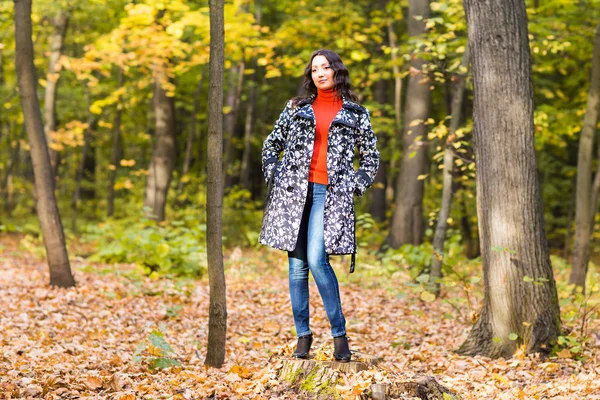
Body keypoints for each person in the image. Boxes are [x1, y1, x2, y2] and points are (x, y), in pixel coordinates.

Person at [259, 49, 380, 362]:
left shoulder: (356, 113)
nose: (320, 73)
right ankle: (303, 335)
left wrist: (356, 183)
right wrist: (275, 173)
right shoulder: (296, 108)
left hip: (329, 195)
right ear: (310, 76)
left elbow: (371, 157)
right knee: (297, 267)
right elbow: (271, 145)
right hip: (293, 194)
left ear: (337, 71)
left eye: (326, 67)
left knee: (316, 258)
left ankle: (339, 335)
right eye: (315, 69)